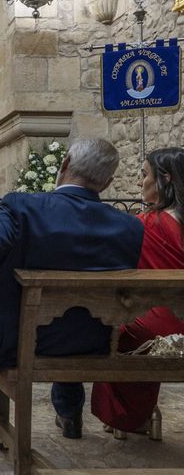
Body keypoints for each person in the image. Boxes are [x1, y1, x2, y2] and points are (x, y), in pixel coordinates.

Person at [0, 138, 144, 445]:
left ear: (64, 165)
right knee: (74, 318)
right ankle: (69, 413)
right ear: (107, 182)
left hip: (18, 339)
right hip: (92, 340)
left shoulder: (25, 208)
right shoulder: (129, 226)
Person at [91, 147, 184, 432]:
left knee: (117, 330)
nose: (138, 182)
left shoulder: (147, 224)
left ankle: (131, 417)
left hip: (161, 323)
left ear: (165, 179)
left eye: (144, 175)